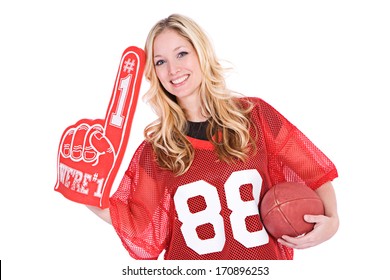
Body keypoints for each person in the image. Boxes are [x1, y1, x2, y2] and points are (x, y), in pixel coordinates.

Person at [88, 13, 339, 260]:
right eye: (160, 62)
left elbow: (315, 174)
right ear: (153, 72)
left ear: (201, 53)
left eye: (181, 54)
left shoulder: (256, 115)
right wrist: (86, 193)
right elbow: (140, 228)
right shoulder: (157, 149)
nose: (173, 69)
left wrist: (333, 221)